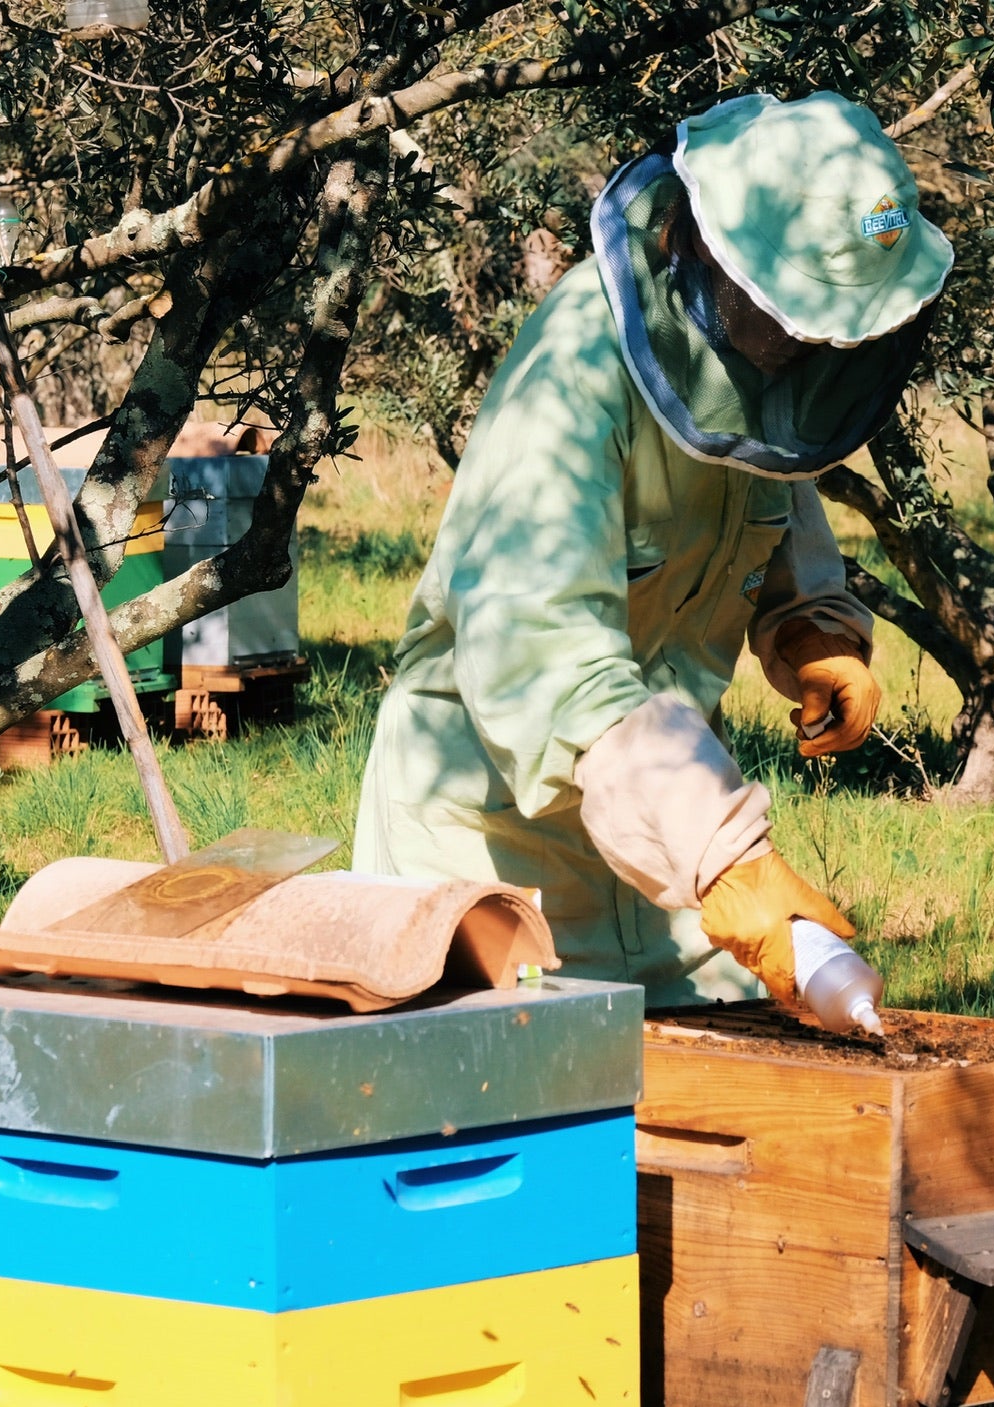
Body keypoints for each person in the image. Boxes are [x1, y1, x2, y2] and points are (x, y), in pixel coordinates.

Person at [353, 91, 952, 1007]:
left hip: (667, 853)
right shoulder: (570, 387)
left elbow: (771, 490)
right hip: (492, 854)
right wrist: (727, 862)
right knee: (520, 1120)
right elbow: (546, 655)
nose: (798, 350)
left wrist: (812, 629)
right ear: (699, 248)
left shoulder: (752, 379)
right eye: (787, 322)